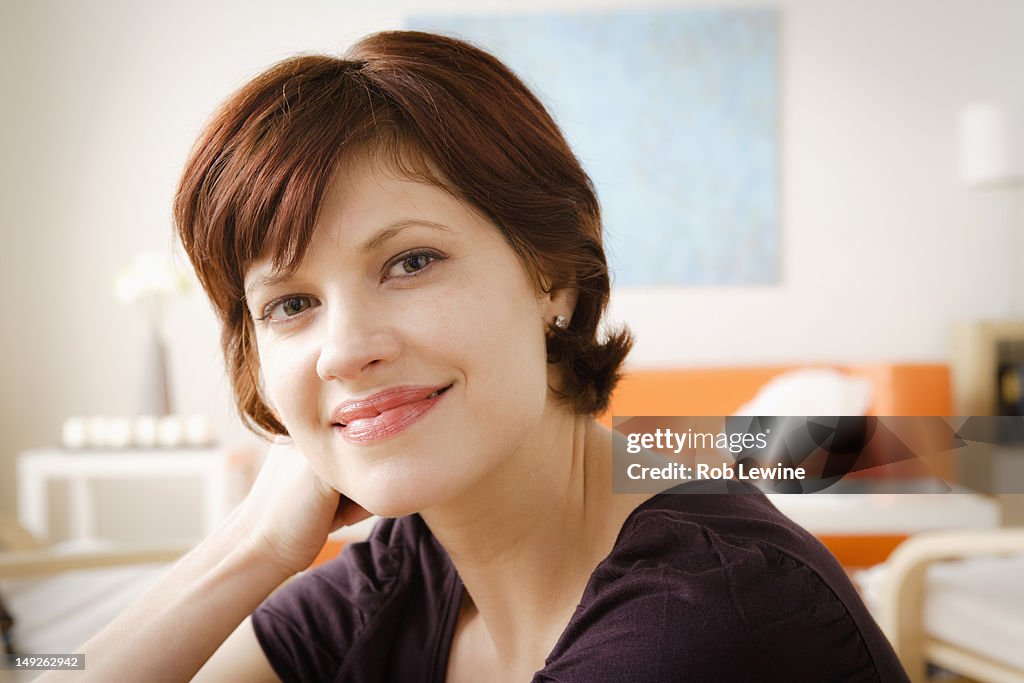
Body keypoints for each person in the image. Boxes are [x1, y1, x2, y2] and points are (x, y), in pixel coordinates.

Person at [50, 30, 908, 682]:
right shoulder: (411, 562)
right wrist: (251, 547)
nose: (346, 350)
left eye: (412, 261)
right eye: (291, 304)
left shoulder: (707, 617)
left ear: (555, 276)